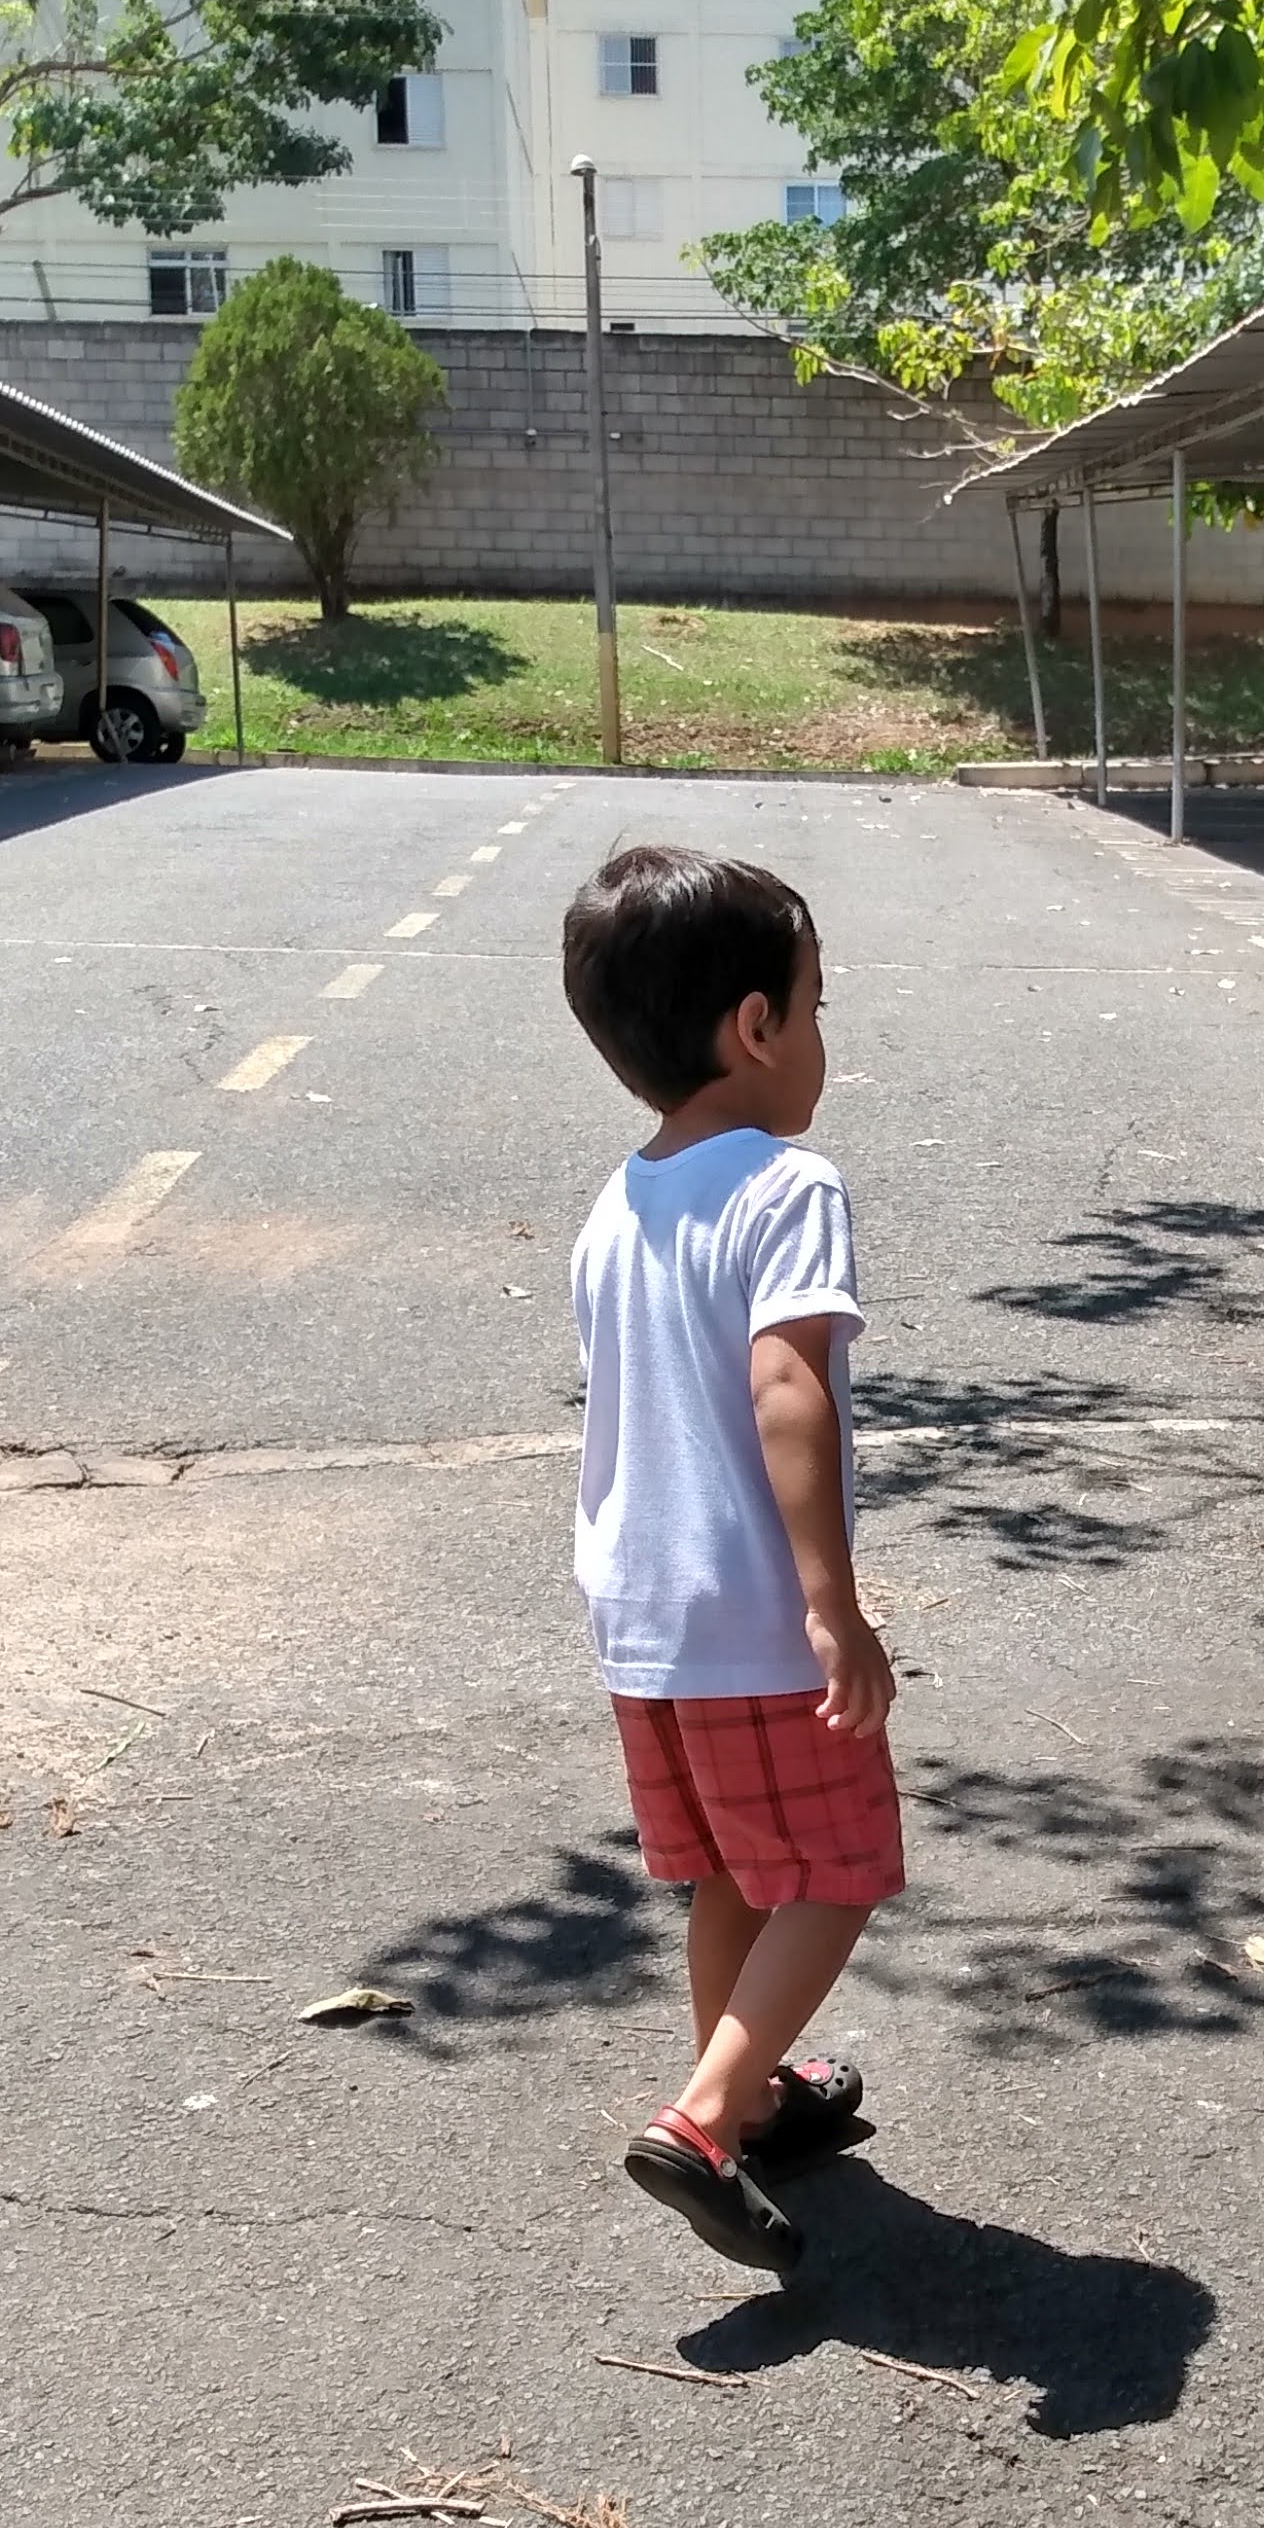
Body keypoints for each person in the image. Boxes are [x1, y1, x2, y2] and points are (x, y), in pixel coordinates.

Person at [561, 842, 899, 2276]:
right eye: (816, 1006)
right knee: (836, 1870)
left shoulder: (619, 1201)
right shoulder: (785, 1185)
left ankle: (750, 2099)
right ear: (756, 1027)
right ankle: (704, 2119)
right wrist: (834, 1605)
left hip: (640, 1614)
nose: (821, 1035)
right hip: (751, 1610)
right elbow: (785, 1385)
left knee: (733, 1871)